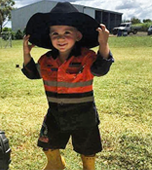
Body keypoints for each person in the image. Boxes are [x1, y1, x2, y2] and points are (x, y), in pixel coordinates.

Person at [22, 2, 114, 170]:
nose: (60, 38)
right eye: (54, 33)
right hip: (55, 113)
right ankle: (55, 163)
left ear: (78, 35)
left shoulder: (87, 57)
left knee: (88, 148)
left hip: (84, 115)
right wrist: (27, 54)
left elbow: (101, 69)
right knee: (48, 143)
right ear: (49, 37)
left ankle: (89, 167)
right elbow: (32, 73)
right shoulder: (46, 60)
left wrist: (103, 44)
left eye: (67, 32)